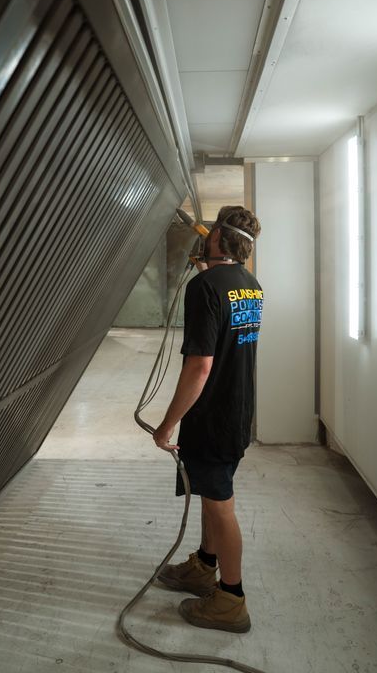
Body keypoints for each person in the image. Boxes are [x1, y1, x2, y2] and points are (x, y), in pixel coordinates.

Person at [153, 205, 263, 634]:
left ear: (218, 237)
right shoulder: (249, 285)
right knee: (211, 493)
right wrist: (208, 270)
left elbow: (200, 366)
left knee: (221, 507)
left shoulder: (204, 288)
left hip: (212, 416)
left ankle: (231, 600)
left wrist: (166, 426)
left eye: (213, 229)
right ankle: (204, 566)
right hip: (237, 411)